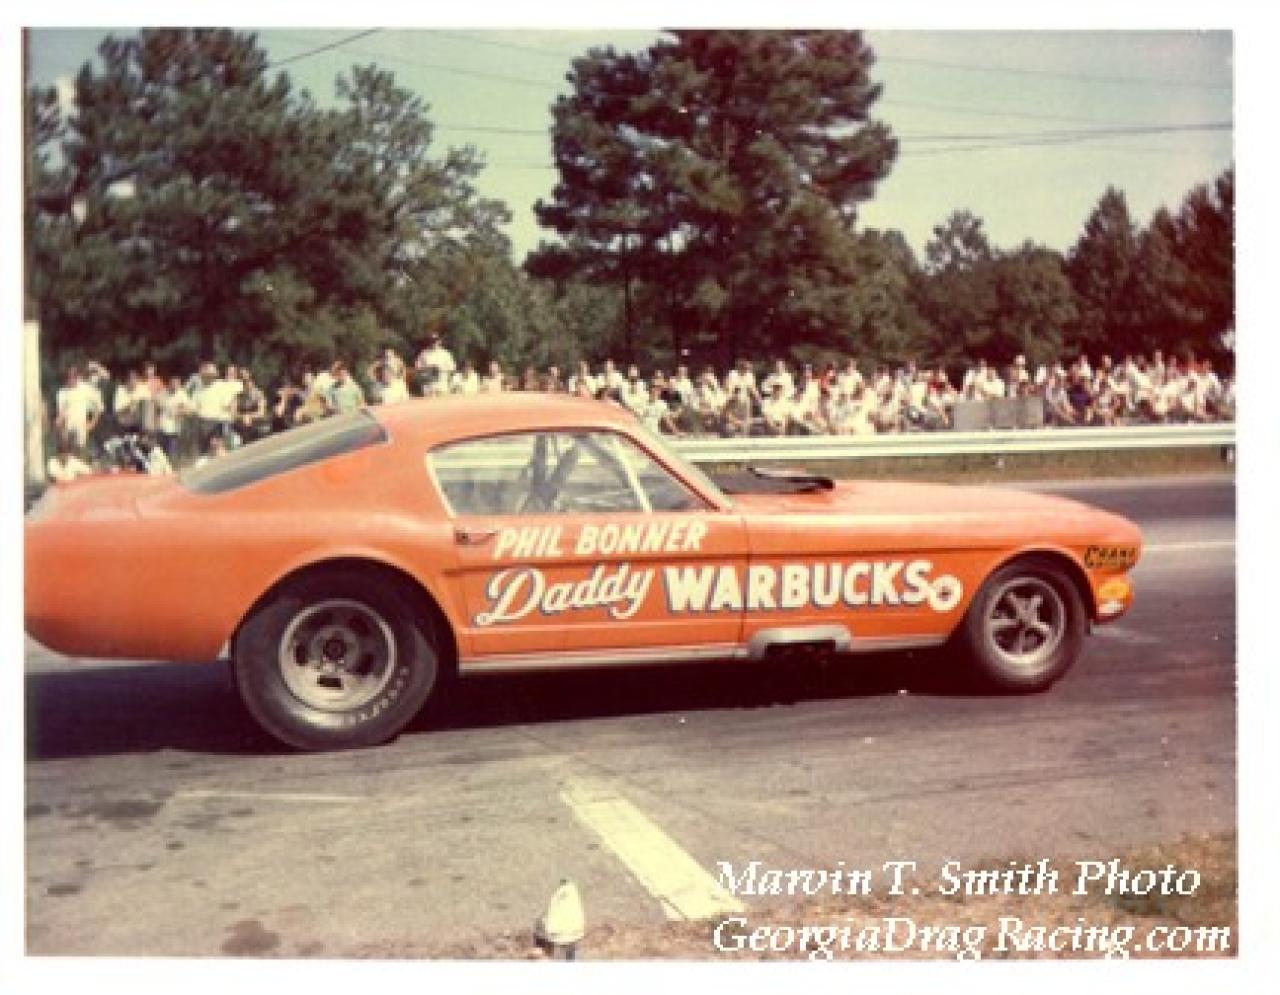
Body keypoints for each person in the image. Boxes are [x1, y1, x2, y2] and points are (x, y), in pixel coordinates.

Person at [54, 366, 103, 458]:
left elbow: (99, 408)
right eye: (69, 377)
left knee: (79, 454)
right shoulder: (61, 392)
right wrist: (59, 421)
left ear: (78, 376)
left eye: (74, 376)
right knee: (67, 455)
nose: (71, 379)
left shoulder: (87, 389)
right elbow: (61, 412)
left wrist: (92, 423)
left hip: (83, 427)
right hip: (68, 428)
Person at [415, 332, 456, 397]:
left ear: (439, 341)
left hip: (442, 386)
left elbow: (452, 370)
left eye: (435, 340)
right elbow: (418, 371)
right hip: (429, 388)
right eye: (432, 341)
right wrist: (429, 371)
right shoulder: (423, 355)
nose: (434, 343)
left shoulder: (446, 354)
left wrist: (449, 384)